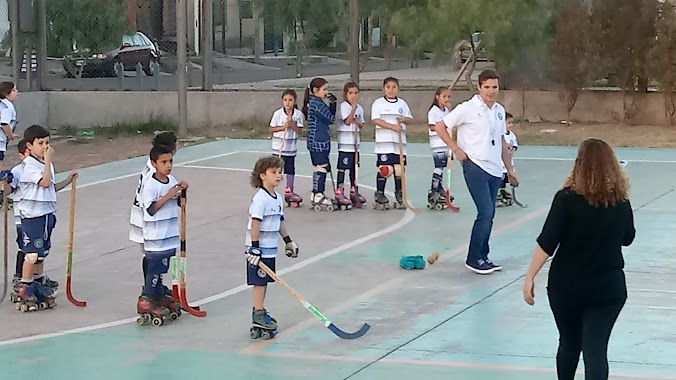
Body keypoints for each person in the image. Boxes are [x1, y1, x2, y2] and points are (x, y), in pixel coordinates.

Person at [523, 138, 635, 380]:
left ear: (578, 165)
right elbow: (628, 238)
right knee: (595, 351)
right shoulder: (621, 202)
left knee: (569, 343)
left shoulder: (565, 199)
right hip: (607, 289)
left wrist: (530, 276)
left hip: (567, 287)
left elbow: (547, 242)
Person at [434, 69, 518, 274]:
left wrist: (509, 169)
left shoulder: (499, 110)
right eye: (487, 87)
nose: (491, 91)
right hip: (474, 165)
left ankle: (483, 256)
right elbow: (440, 127)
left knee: (490, 214)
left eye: (494, 87)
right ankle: (473, 258)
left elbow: (501, 141)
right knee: (485, 211)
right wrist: (456, 149)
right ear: (479, 87)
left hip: (494, 168)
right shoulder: (467, 108)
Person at [16, 125, 77, 311]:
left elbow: (51, 187)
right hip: (32, 216)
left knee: (42, 253)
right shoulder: (28, 165)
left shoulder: (47, 165)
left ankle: (37, 282)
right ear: (30, 145)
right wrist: (48, 158)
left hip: (47, 214)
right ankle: (25, 286)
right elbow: (44, 183)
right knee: (32, 254)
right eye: (40, 143)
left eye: (47, 143)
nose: (45, 147)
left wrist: (68, 180)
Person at [245, 155, 299, 334]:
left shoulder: (277, 198)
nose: (278, 176)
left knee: (265, 281)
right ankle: (258, 312)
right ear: (262, 175)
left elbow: (279, 222)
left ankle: (260, 310)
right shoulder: (260, 198)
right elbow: (255, 223)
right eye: (274, 172)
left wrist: (288, 241)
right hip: (258, 250)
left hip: (270, 249)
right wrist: (254, 247)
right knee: (259, 282)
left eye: (280, 172)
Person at [137, 144, 187, 321]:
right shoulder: (150, 185)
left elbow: (179, 203)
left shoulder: (172, 180)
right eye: (164, 162)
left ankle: (158, 294)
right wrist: (169, 194)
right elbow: (151, 208)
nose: (168, 165)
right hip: (156, 236)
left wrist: (182, 192)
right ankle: (147, 298)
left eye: (170, 161)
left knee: (163, 267)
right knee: (155, 268)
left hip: (169, 235)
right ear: (154, 163)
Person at [129, 132, 178, 293]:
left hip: (146, 214)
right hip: (146, 217)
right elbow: (150, 202)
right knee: (152, 256)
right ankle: (150, 289)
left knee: (154, 256)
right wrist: (169, 194)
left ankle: (156, 285)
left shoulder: (157, 168)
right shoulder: (153, 173)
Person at [371, 77, 413, 210]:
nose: (391, 90)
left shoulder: (402, 104)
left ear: (398, 88)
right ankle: (380, 193)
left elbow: (410, 119)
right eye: (388, 87)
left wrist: (404, 119)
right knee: (385, 169)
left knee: (399, 170)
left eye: (394, 87)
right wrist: (392, 127)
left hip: (399, 144)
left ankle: (399, 194)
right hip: (385, 143)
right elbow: (376, 120)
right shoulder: (378, 103)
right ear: (383, 88)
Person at [301, 77, 339, 210]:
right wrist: (333, 104)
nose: (326, 92)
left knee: (319, 166)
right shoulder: (316, 104)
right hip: (319, 140)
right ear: (315, 90)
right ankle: (318, 193)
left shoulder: (315, 102)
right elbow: (330, 118)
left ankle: (315, 192)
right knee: (322, 166)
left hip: (318, 139)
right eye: (324, 89)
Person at [269, 89, 304, 207]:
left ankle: (289, 191)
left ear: (294, 101)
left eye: (290, 100)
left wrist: (291, 125)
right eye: (285, 100)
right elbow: (272, 128)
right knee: (276, 170)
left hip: (291, 148)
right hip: (279, 147)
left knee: (290, 169)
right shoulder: (278, 114)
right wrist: (284, 126)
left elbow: (299, 130)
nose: (288, 103)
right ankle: (270, 191)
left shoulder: (298, 114)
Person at [337, 81, 366, 207]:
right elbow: (347, 121)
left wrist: (358, 122)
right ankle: (340, 191)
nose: (353, 96)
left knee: (354, 168)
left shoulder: (360, 108)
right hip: (345, 144)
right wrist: (352, 110)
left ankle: (354, 190)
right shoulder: (344, 106)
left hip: (355, 144)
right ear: (346, 94)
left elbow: (360, 124)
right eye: (350, 93)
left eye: (355, 93)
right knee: (343, 167)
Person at [427, 86, 452, 210]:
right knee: (439, 167)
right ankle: (434, 190)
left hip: (445, 143)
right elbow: (432, 126)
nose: (446, 99)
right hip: (437, 143)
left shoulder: (446, 111)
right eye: (444, 96)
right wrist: (442, 127)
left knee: (443, 167)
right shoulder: (434, 111)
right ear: (437, 97)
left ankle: (439, 188)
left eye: (448, 97)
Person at [10, 139, 27, 290]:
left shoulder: (44, 168)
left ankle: (34, 277)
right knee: (25, 247)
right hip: (23, 217)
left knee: (38, 250)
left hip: (40, 214)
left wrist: (68, 180)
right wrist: (5, 182)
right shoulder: (17, 171)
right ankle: (19, 276)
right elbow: (9, 190)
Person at [497, 112, 518, 207]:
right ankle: (497, 195)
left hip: (509, 164)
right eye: (508, 123)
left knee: (506, 179)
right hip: (499, 165)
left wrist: (511, 149)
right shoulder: (499, 135)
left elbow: (514, 146)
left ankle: (503, 192)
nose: (511, 125)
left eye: (511, 123)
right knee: (499, 181)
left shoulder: (512, 135)